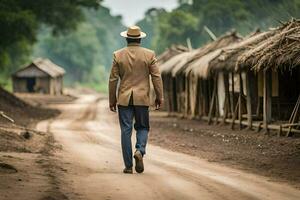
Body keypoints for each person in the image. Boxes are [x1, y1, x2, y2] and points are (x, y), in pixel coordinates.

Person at [109, 26, 163, 174]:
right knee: (143, 127)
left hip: (124, 99)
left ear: (126, 38)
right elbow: (156, 77)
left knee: (125, 131)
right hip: (142, 99)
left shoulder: (117, 55)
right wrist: (160, 96)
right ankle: (139, 150)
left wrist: (112, 100)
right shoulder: (149, 55)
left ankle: (128, 166)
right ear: (140, 39)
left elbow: (113, 79)